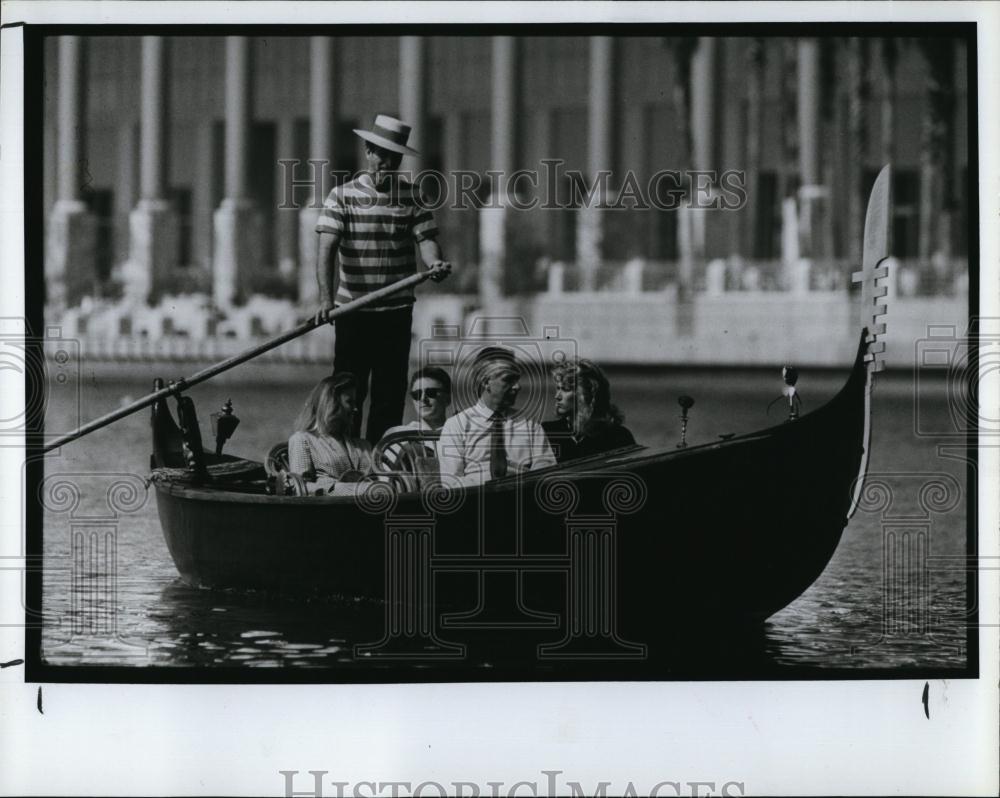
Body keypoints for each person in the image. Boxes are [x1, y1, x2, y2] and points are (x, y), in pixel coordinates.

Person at [313, 114, 452, 445]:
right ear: (368, 151)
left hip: (396, 311)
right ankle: (343, 455)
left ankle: (379, 462)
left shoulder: (413, 196)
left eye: (394, 158)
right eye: (380, 155)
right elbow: (326, 251)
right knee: (348, 394)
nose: (386, 164)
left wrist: (435, 264)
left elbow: (427, 242)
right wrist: (325, 300)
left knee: (389, 395)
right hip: (353, 312)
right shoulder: (341, 196)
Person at [438, 346, 556, 486]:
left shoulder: (530, 425)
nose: (517, 386)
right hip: (474, 501)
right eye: (508, 380)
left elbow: (546, 471)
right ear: (485, 382)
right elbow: (451, 483)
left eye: (517, 379)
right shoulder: (457, 425)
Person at [288, 373, 373, 495]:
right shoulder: (303, 440)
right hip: (328, 508)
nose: (356, 409)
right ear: (332, 403)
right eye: (350, 402)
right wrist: (337, 488)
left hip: (366, 506)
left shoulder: (361, 446)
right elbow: (298, 487)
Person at [542, 358, 636, 462]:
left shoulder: (618, 437)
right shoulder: (546, 432)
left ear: (586, 395)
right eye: (558, 388)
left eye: (565, 389)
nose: (557, 396)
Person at [377, 366, 452, 473]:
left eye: (431, 393)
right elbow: (384, 476)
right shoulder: (397, 434)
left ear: (447, 399)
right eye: (417, 394)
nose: (422, 399)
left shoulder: (458, 434)